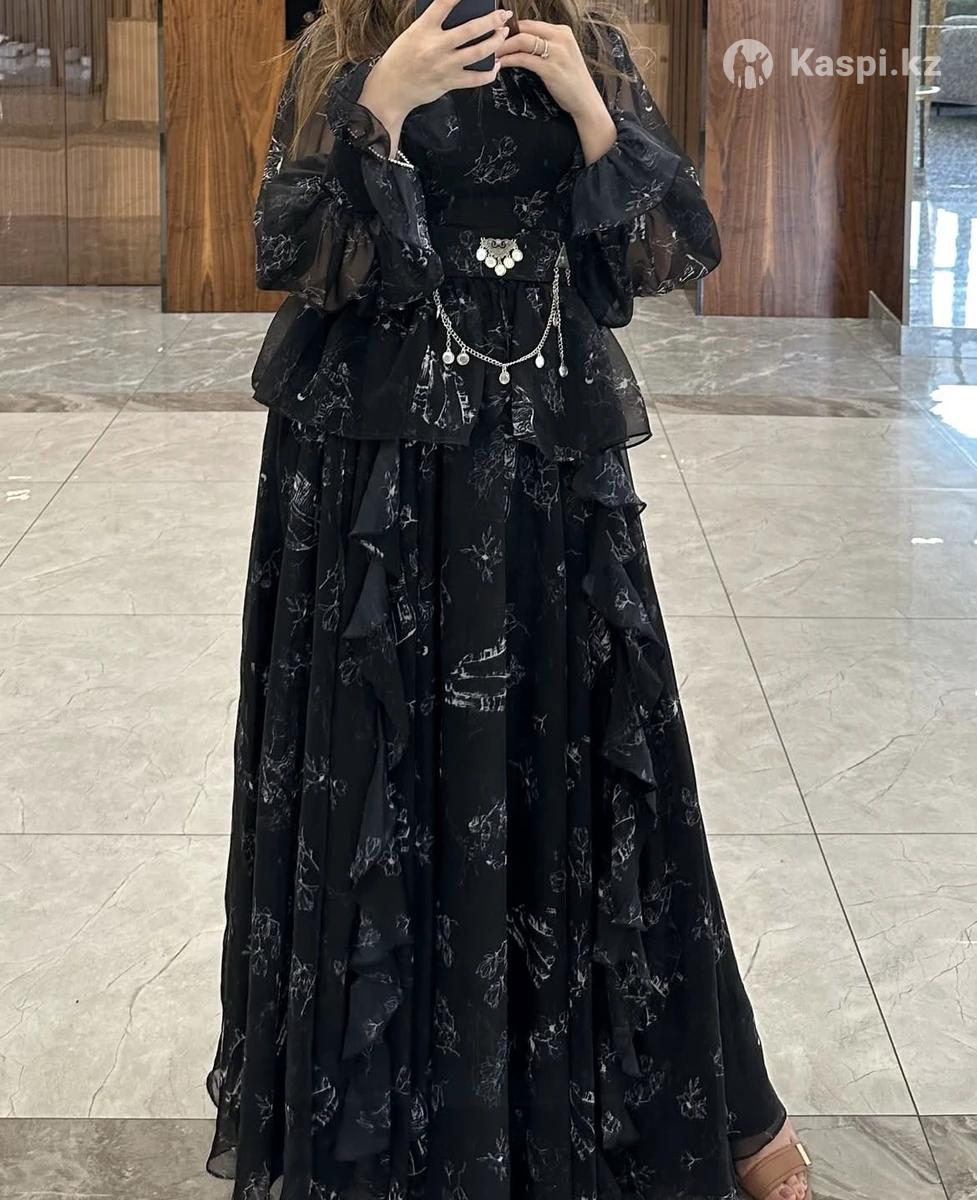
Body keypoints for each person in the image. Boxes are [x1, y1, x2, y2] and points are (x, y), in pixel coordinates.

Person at [205, 2, 814, 1198]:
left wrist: (590, 113)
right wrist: (380, 106)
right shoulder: (342, 51)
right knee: (382, 764)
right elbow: (296, 256)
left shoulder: (583, 39)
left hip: (545, 461)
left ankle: (709, 1107)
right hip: (379, 472)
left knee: (590, 757)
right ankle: (397, 1128)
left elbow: (653, 256)